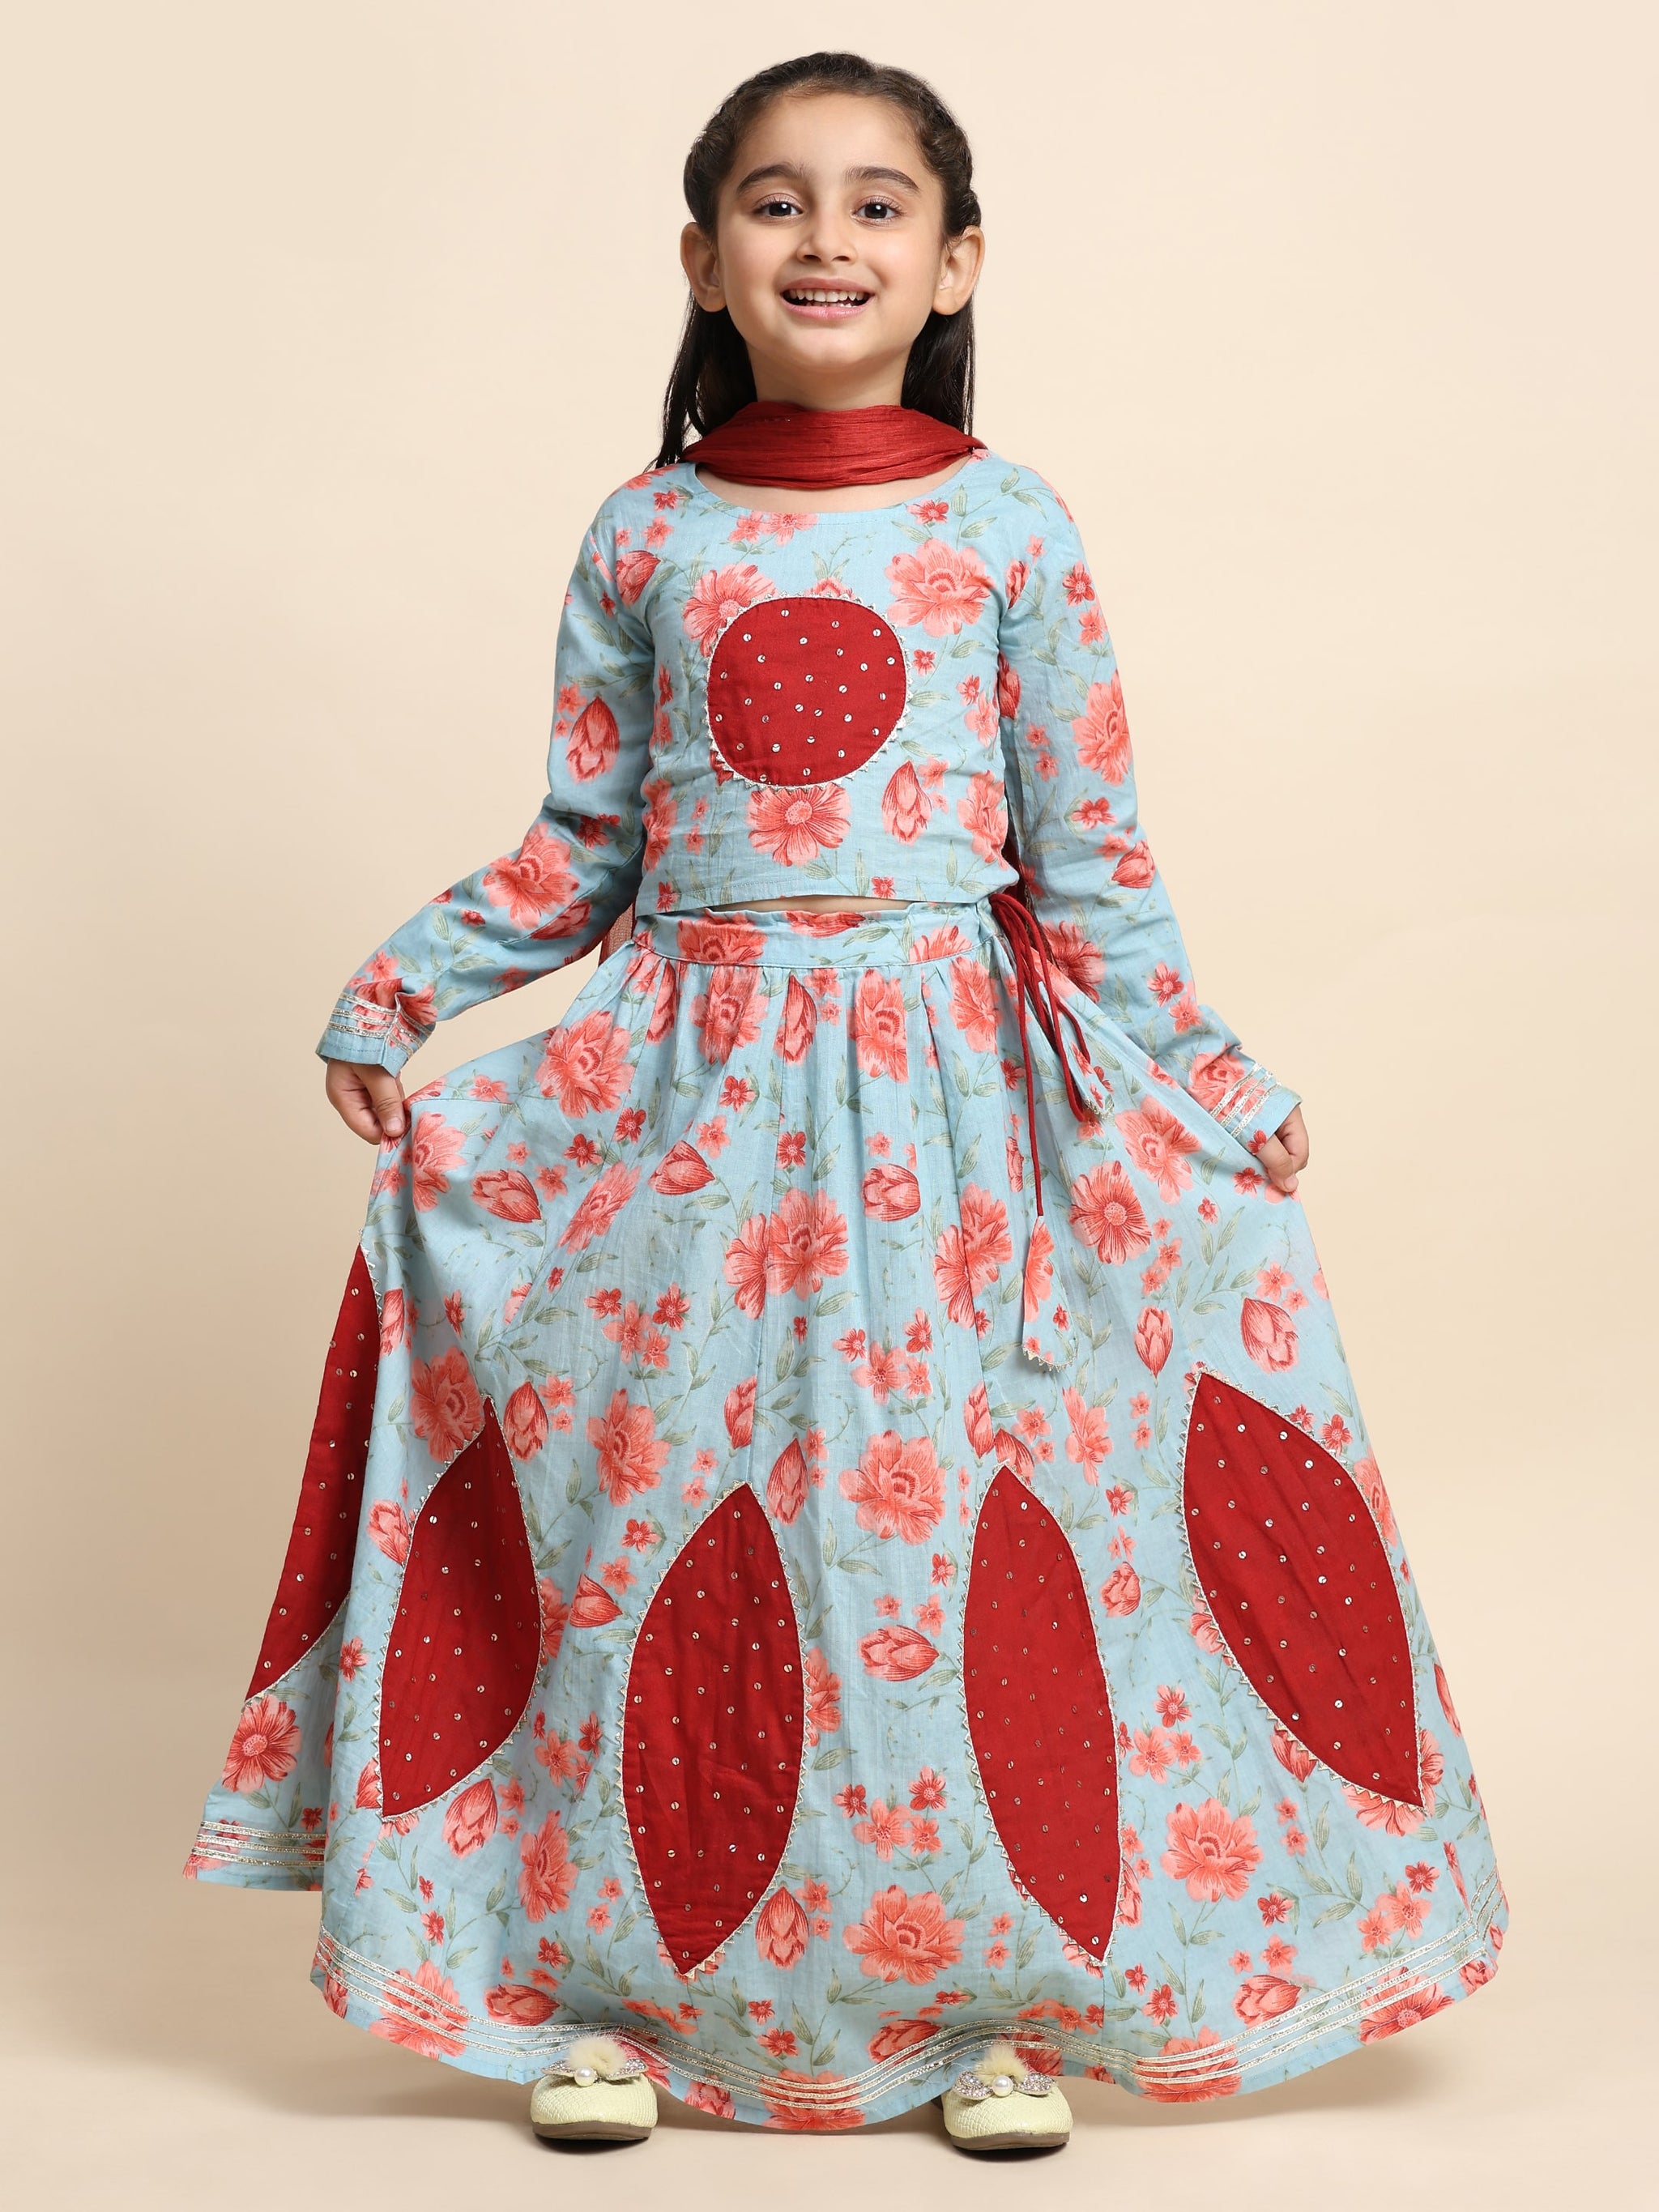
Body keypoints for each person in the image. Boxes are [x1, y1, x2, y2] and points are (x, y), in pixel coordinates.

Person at [188, 50, 1504, 2154]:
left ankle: (987, 2007)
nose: (827, 238)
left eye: (879, 202)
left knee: (933, 1542)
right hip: (683, 1118)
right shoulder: (647, 530)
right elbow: (582, 847)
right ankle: (597, 1995)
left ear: (955, 260)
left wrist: (1215, 1077)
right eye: (777, 200)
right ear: (702, 257)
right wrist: (403, 987)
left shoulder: (1010, 525)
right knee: (654, 1526)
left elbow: (1093, 869)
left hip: (958, 1128)